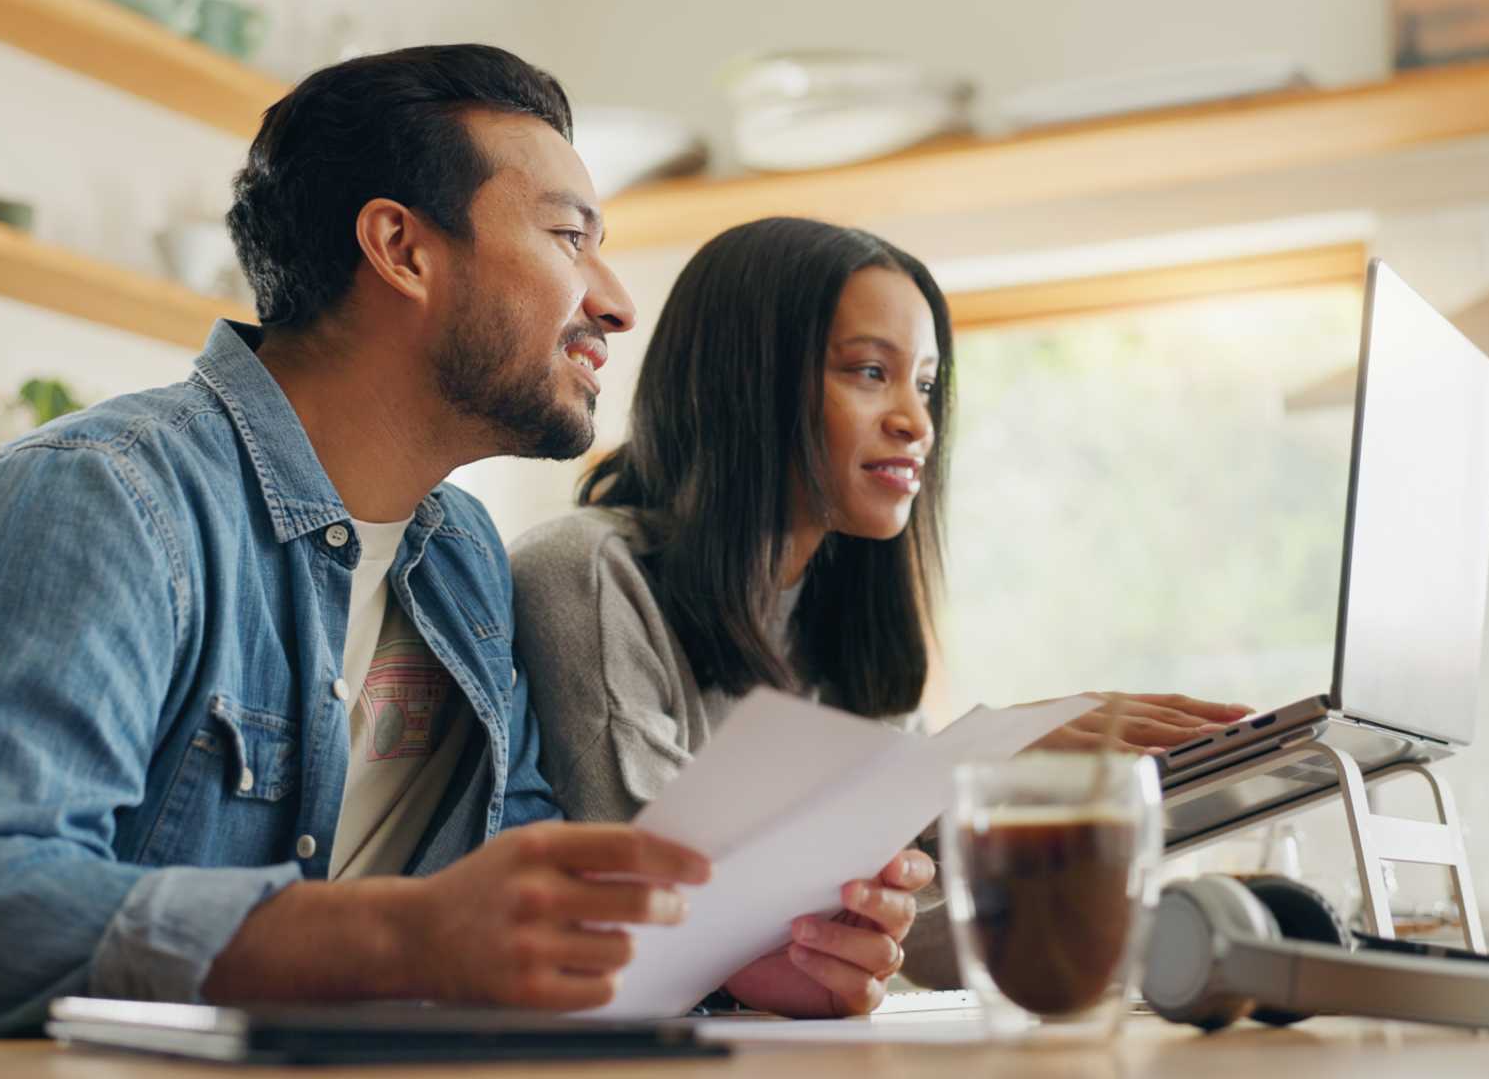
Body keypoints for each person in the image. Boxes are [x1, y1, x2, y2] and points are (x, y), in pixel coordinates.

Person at [0, 50, 926, 1045]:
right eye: (571, 237)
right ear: (401, 248)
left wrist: (725, 964)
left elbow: (514, 903)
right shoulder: (99, 503)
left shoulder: (463, 564)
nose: (615, 301)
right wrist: (396, 939)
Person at [510, 217, 1248, 989]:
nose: (917, 422)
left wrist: (1082, 829)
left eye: (925, 385)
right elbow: (664, 883)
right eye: (870, 372)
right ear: (743, 381)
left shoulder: (845, 626)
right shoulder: (586, 571)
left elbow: (923, 942)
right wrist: (961, 767)